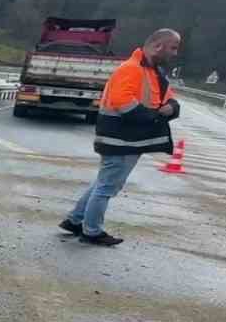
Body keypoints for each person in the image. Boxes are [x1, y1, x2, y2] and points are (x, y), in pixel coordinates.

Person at [60, 29, 182, 247]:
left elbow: (171, 101)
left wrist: (170, 108)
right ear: (158, 46)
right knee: (107, 187)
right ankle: (91, 231)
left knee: (103, 183)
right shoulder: (131, 69)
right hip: (120, 140)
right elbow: (122, 102)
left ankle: (75, 220)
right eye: (173, 47)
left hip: (130, 140)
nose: (175, 53)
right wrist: (154, 116)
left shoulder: (155, 73)